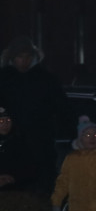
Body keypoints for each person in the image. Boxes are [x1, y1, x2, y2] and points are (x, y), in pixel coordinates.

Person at [0, 36, 71, 195]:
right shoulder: (4, 79)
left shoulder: (46, 79)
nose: (24, 61)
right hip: (10, 146)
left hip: (40, 144)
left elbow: (62, 109)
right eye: (20, 57)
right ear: (12, 58)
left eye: (28, 57)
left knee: (40, 190)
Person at [0, 106, 34, 191]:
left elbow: (29, 168)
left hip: (15, 189)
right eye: (1, 121)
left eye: (8, 120)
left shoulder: (20, 142)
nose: (5, 124)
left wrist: (12, 178)